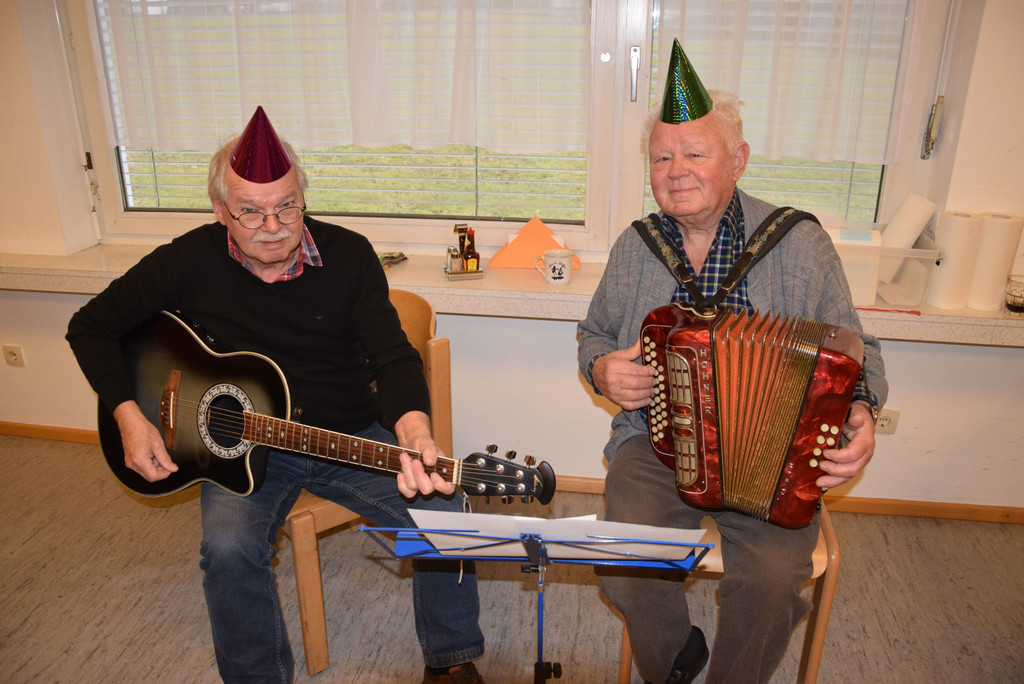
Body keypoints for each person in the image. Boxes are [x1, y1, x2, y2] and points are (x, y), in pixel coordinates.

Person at [67, 107, 486, 684]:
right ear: (220, 210)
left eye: (287, 206)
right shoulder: (188, 259)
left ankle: (450, 658)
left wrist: (414, 431)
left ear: (303, 197)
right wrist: (129, 416)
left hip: (345, 434)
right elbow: (90, 326)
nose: (274, 226)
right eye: (250, 211)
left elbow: (394, 357)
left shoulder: (349, 255)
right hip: (240, 448)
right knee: (228, 549)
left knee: (446, 512)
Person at [578, 40, 887, 684]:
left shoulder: (799, 244)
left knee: (771, 582)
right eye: (662, 157)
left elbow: (863, 353)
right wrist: (602, 369)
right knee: (623, 560)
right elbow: (594, 335)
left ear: (738, 160)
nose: (676, 170)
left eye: (695, 153)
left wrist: (861, 409)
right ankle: (676, 662)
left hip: (774, 455)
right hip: (655, 445)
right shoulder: (637, 247)